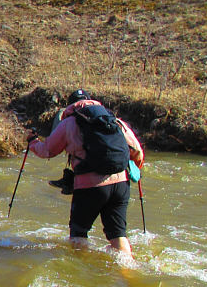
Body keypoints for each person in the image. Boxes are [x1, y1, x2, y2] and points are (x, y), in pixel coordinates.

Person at [27, 90, 144, 256]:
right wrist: (136, 169)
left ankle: (83, 273)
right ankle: (127, 271)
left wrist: (32, 141)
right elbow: (137, 151)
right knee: (118, 234)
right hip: (121, 184)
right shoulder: (114, 120)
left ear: (70, 106)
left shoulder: (69, 123)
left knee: (78, 234)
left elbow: (47, 151)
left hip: (90, 187)